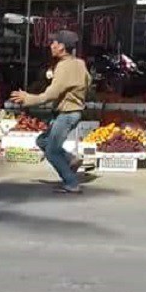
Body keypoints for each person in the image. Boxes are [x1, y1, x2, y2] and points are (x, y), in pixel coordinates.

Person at [10, 30, 91, 194]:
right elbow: (88, 82)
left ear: (61, 47)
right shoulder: (79, 63)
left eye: (54, 43)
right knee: (42, 141)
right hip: (72, 112)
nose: (51, 46)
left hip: (67, 114)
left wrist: (28, 98)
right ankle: (70, 159)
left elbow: (50, 95)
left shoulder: (64, 66)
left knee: (52, 152)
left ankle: (71, 182)